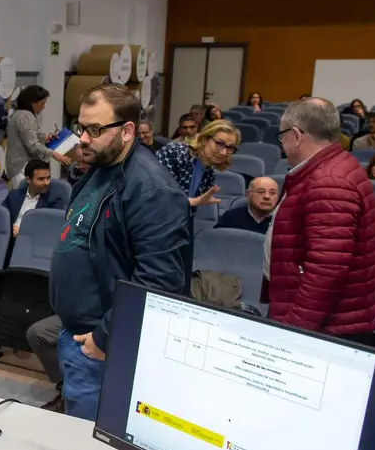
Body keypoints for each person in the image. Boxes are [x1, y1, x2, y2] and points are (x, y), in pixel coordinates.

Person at [43, 83, 189, 420]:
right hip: (80, 333)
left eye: (95, 129)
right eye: (81, 127)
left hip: (104, 346)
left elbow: (159, 280)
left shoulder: (152, 189)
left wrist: (106, 337)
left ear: (127, 131)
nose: (82, 137)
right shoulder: (100, 169)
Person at [266, 97, 375, 345]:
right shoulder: (331, 167)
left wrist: (292, 331)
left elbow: (327, 270)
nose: (282, 144)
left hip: (323, 328)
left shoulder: (329, 180)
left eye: (282, 136)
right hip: (327, 320)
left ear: (296, 135)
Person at [156, 119, 240, 289]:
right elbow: (155, 193)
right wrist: (192, 202)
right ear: (203, 139)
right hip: (154, 224)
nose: (224, 152)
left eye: (230, 148)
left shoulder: (209, 173)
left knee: (182, 281)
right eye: (219, 144)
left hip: (181, 225)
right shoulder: (176, 151)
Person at [5, 84, 73, 186]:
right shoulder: (24, 116)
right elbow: (33, 145)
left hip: (24, 166)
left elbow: (28, 138)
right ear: (32, 103)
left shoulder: (26, 115)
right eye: (42, 103)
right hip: (21, 167)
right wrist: (54, 154)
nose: (44, 107)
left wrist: (46, 139)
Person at [3, 159, 59, 235]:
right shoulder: (14, 195)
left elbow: (48, 229)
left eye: (48, 178)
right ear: (28, 179)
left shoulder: (52, 202)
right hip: (9, 238)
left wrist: (22, 233)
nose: (46, 183)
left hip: (32, 242)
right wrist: (10, 228)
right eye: (41, 179)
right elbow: (1, 218)